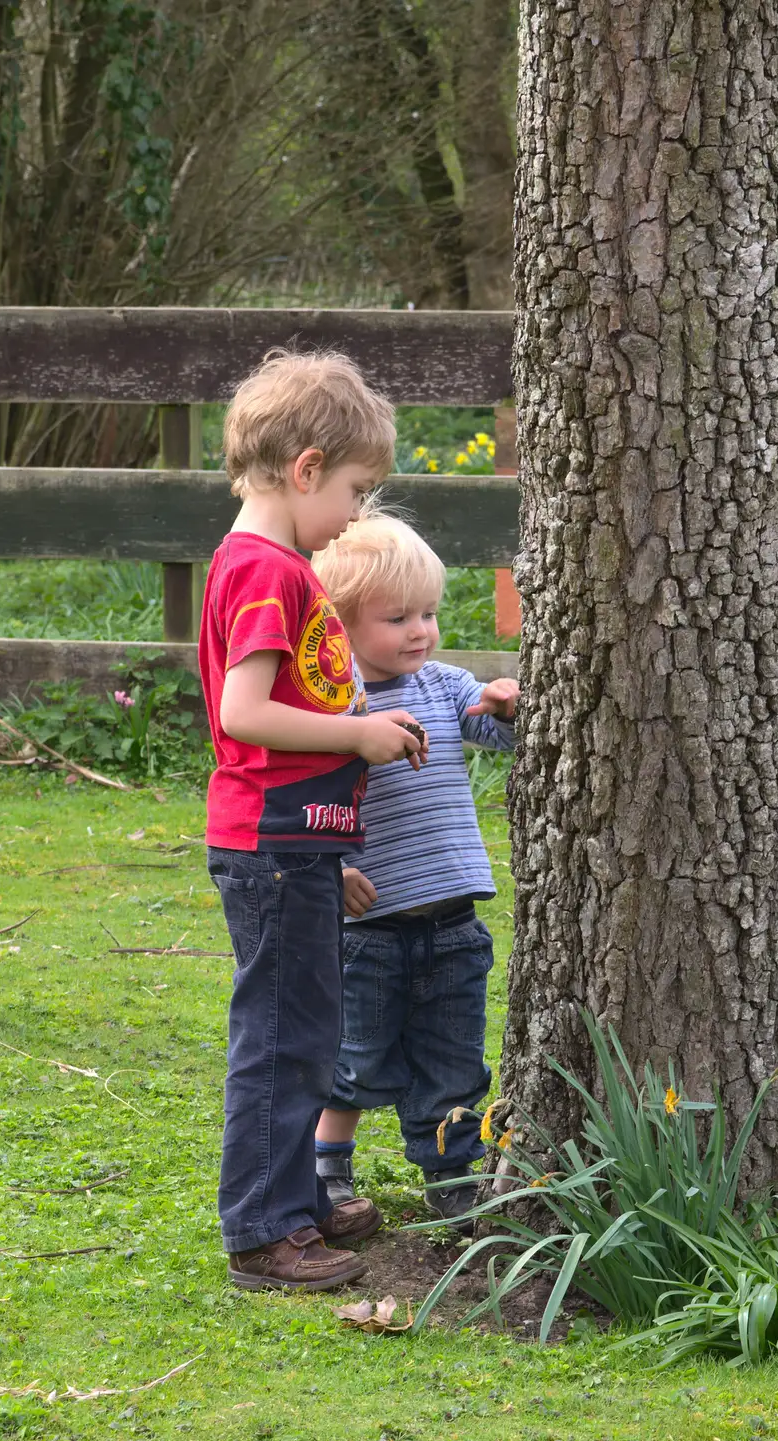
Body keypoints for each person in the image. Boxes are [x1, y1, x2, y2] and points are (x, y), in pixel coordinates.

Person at [199, 350, 430, 1293]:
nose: (356, 513)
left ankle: (295, 1197)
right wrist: (359, 732)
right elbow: (243, 716)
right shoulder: (270, 573)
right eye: (354, 489)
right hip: (272, 837)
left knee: (308, 1027)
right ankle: (262, 1230)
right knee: (284, 1037)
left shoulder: (272, 565)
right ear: (303, 469)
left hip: (300, 839)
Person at [311, 512, 518, 1228]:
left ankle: (449, 1176)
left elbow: (488, 726)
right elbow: (310, 797)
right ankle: (328, 1165)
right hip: (370, 924)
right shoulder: (332, 709)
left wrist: (502, 705)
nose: (419, 630)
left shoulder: (440, 683)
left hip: (453, 919)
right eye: (396, 617)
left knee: (453, 1058)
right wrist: (332, 870)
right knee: (357, 1056)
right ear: (337, 625)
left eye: (428, 612)